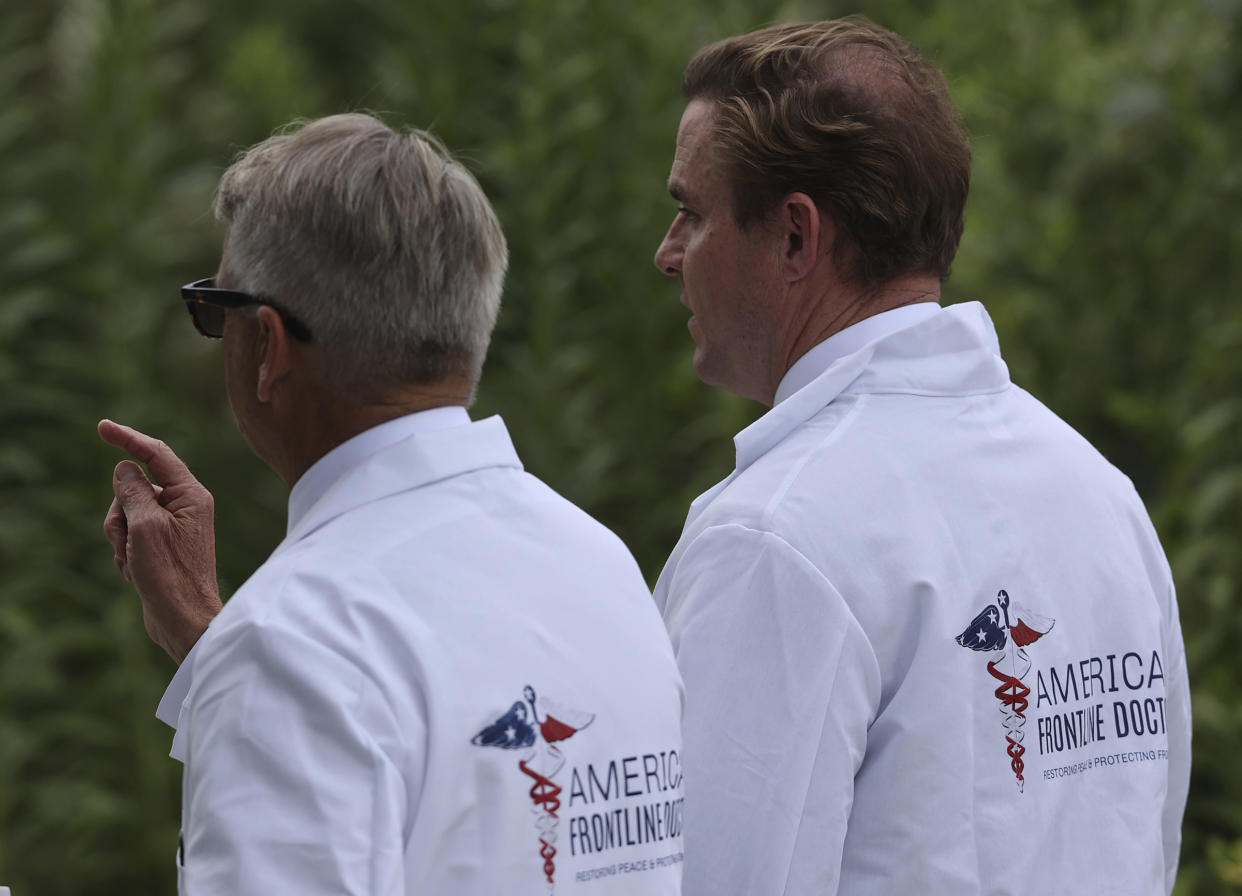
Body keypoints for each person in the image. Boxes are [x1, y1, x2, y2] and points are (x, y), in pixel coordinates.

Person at [650, 17, 1190, 896]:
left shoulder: (773, 542)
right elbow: (1147, 843)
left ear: (795, 236)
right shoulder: (1098, 493)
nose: (667, 254)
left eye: (691, 211)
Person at [100, 113, 684, 894]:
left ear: (268, 346)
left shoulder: (292, 638)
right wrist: (216, 647)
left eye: (215, 309)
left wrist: (240, 658)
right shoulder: (600, 563)